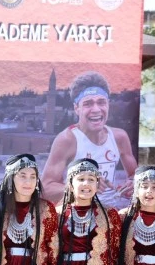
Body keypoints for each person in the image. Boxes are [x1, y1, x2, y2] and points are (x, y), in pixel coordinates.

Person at [40, 71, 137, 210]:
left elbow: (134, 175)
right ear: (76, 108)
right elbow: (46, 188)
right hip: (76, 216)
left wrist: (133, 184)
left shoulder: (119, 137)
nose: (96, 109)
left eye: (101, 102)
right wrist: (81, 187)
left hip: (109, 216)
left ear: (108, 105)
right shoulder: (67, 140)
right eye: (88, 104)